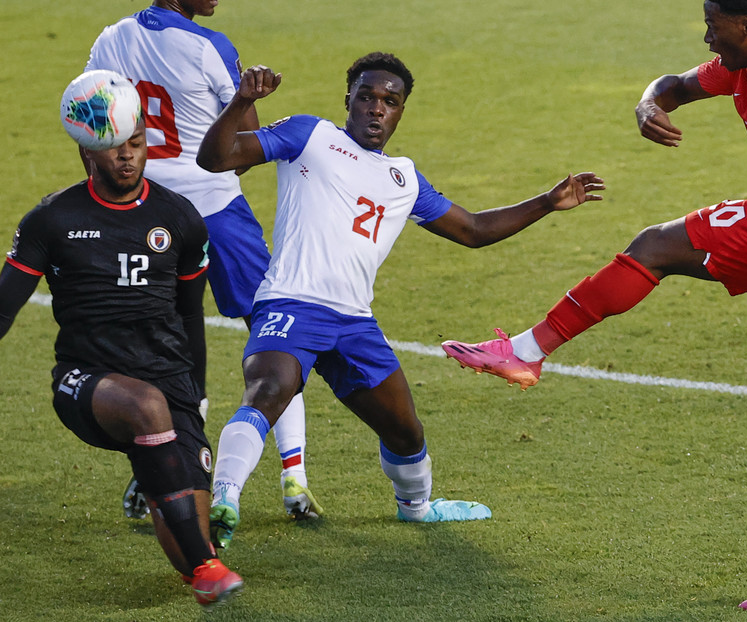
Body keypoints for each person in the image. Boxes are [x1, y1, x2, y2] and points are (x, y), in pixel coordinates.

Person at [441, 0, 747, 611]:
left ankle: (528, 351)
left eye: (713, 21)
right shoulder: (745, 62)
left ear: (746, 25)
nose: (706, 33)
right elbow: (671, 85)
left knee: (655, 246)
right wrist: (648, 105)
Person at [196, 51, 604, 549]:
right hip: (291, 304)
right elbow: (215, 159)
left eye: (390, 101)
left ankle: (417, 508)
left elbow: (473, 230)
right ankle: (224, 500)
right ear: (348, 99)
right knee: (268, 391)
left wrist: (546, 202)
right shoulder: (309, 136)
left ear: (401, 110)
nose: (376, 108)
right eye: (366, 96)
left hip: (354, 324)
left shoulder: (404, 179)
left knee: (406, 432)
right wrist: (241, 101)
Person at [0, 105, 242, 610]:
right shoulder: (53, 219)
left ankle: (176, 514)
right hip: (87, 381)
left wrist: (200, 398)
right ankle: (207, 565)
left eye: (137, 142)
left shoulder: (180, 217)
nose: (128, 155)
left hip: (170, 384)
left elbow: (190, 316)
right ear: (86, 151)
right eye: (114, 145)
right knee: (147, 409)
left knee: (189, 542)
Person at [84, 0, 320, 521]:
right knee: (275, 331)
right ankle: (295, 479)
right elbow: (241, 143)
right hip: (217, 210)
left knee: (164, 348)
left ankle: (156, 476)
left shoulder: (108, 41)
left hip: (146, 216)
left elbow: (92, 121)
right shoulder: (210, 46)